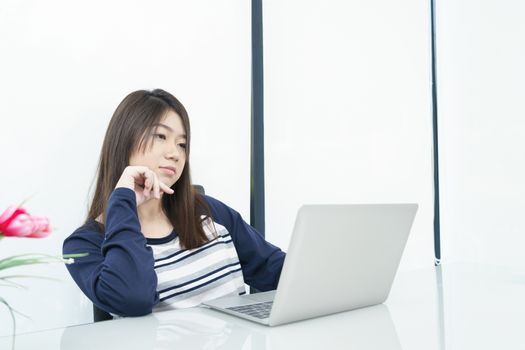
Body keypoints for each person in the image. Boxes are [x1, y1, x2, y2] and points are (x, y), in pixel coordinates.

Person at [63, 89, 285, 317]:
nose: (175, 154)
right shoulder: (83, 245)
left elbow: (277, 271)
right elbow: (133, 299)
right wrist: (123, 198)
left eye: (182, 144)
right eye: (160, 136)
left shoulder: (207, 211)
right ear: (124, 139)